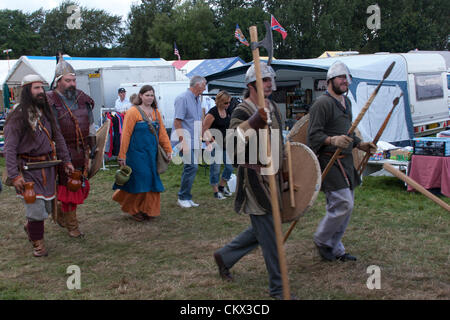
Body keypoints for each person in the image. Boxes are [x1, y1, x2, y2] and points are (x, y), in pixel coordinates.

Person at [213, 62, 289, 299]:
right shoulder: (242, 110)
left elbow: (279, 141)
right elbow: (231, 143)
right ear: (251, 85)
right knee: (271, 233)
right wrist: (253, 122)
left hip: (273, 175)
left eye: (269, 80)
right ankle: (279, 289)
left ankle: (225, 256)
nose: (268, 84)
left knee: (263, 228)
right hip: (254, 178)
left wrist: (285, 167)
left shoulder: (273, 107)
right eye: (263, 80)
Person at [307, 61, 376, 262]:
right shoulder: (322, 104)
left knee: (347, 206)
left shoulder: (347, 103)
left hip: (346, 162)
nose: (344, 81)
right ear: (330, 80)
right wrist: (331, 140)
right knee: (343, 203)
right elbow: (313, 136)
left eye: (346, 78)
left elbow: (348, 133)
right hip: (329, 160)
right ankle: (322, 239)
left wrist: (360, 144)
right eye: (340, 77)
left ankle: (335, 248)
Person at [4, 74, 74, 257]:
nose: (41, 91)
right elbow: (10, 148)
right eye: (36, 88)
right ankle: (39, 246)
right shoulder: (18, 116)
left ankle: (30, 228)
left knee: (47, 209)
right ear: (27, 91)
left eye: (42, 88)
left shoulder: (47, 112)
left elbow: (58, 137)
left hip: (48, 168)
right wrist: (14, 175)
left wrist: (66, 161)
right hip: (28, 171)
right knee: (36, 210)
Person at [46, 57, 96, 238]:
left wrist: (92, 149)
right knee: (67, 189)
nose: (72, 84)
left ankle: (61, 214)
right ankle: (72, 226)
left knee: (76, 187)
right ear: (58, 81)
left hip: (80, 152)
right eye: (68, 80)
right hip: (57, 152)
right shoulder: (49, 100)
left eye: (74, 80)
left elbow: (91, 127)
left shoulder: (83, 98)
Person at [112, 85, 172, 221]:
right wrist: (122, 156)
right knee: (140, 181)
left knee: (152, 181)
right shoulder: (133, 112)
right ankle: (132, 209)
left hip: (151, 154)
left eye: (152, 95)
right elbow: (125, 134)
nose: (150, 98)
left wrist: (168, 150)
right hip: (135, 154)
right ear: (140, 96)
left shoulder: (156, 112)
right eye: (147, 95)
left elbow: (162, 133)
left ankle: (148, 210)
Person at [172, 75, 206, 208]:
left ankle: (186, 196)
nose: (205, 87)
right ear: (197, 85)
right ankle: (182, 196)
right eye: (204, 84)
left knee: (190, 168)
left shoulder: (198, 99)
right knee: (192, 166)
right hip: (184, 140)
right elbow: (177, 121)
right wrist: (182, 143)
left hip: (194, 140)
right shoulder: (182, 98)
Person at [202, 91, 233, 199]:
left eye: (229, 102)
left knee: (229, 167)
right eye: (225, 103)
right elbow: (204, 128)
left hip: (226, 144)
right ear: (219, 102)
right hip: (215, 144)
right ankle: (216, 191)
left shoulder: (227, 111)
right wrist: (208, 143)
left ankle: (221, 186)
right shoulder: (212, 113)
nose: (228, 104)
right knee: (215, 168)